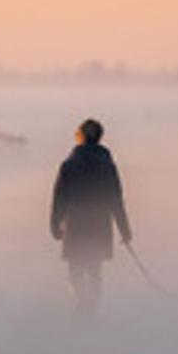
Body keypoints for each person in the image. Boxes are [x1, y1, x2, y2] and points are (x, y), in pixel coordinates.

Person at [51, 119, 132, 315]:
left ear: (80, 136)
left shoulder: (69, 165)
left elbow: (59, 198)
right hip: (99, 226)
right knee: (94, 270)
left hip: (76, 228)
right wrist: (125, 230)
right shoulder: (108, 166)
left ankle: (82, 304)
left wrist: (55, 225)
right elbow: (116, 200)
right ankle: (91, 310)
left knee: (75, 271)